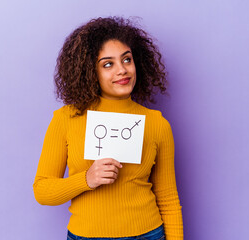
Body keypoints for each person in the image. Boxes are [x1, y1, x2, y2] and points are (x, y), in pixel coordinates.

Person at [33, 16, 183, 240]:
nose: (122, 70)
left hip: (147, 235)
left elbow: (168, 197)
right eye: (108, 64)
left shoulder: (156, 123)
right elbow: (42, 190)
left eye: (127, 60)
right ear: (90, 72)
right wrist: (87, 179)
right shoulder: (66, 119)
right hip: (85, 236)